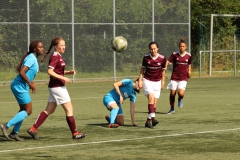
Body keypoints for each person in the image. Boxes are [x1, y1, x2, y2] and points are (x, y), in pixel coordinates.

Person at [27, 37, 87, 140]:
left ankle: (33, 128)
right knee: (69, 109)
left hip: (55, 86)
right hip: (57, 87)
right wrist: (63, 77)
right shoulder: (55, 56)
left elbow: (57, 71)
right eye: (62, 45)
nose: (64, 47)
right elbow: (50, 71)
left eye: (64, 45)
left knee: (49, 110)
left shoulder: (58, 56)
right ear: (56, 47)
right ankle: (75, 133)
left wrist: (69, 72)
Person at [0, 41, 44, 141]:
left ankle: (14, 133)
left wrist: (32, 82)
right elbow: (22, 72)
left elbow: (28, 74)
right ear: (34, 49)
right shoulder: (32, 58)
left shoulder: (32, 58)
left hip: (20, 86)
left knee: (23, 110)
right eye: (40, 47)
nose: (42, 49)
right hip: (19, 86)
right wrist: (30, 83)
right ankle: (6, 126)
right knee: (28, 111)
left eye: (43, 47)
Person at [138, 42, 166, 129]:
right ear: (149, 49)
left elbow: (163, 71)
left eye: (154, 49)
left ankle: (148, 121)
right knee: (151, 97)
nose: (153, 50)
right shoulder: (146, 58)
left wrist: (163, 82)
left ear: (157, 48)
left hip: (157, 82)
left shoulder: (162, 58)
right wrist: (140, 80)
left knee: (154, 103)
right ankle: (153, 118)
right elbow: (142, 70)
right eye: (151, 49)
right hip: (147, 80)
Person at [166, 38, 191, 114]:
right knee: (172, 93)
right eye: (180, 46)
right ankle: (172, 108)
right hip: (175, 76)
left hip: (183, 77)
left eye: (183, 46)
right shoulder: (174, 54)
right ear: (178, 46)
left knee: (181, 93)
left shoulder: (188, 56)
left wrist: (189, 71)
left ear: (186, 47)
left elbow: (189, 65)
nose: (181, 47)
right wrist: (165, 67)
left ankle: (180, 99)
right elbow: (168, 61)